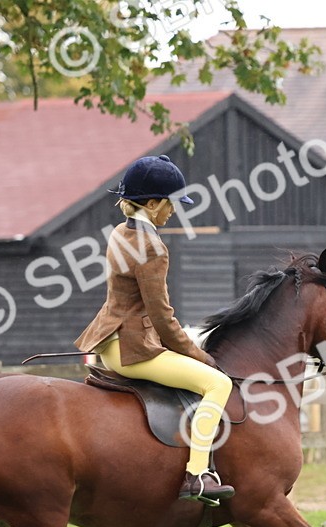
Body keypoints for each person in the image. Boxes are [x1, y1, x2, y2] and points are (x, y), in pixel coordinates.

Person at [75, 155, 235, 505]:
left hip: (108, 340)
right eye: (171, 204)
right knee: (218, 383)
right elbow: (162, 317)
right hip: (132, 348)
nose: (173, 212)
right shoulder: (152, 247)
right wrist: (201, 356)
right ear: (152, 204)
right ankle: (197, 476)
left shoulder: (121, 231)